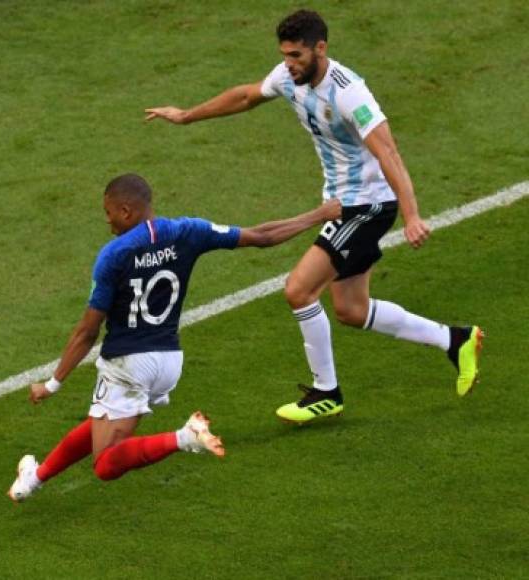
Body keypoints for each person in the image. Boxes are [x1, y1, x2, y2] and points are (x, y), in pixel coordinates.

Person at [144, 9, 483, 425]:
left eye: (297, 55)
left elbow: (388, 152)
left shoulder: (349, 92)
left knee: (299, 290)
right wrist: (186, 115)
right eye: (285, 55)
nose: (289, 63)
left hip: (367, 205)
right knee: (351, 310)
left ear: (320, 49)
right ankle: (456, 339)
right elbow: (247, 95)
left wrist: (412, 215)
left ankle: (327, 391)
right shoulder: (290, 76)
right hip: (343, 202)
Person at [8, 173, 340, 501]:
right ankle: (34, 478)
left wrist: (52, 384)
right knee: (102, 419)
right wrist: (318, 215)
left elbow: (87, 331)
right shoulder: (187, 231)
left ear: (126, 211)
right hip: (168, 361)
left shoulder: (114, 254)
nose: (108, 223)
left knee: (106, 464)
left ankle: (184, 437)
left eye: (109, 213)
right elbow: (262, 236)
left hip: (128, 364)